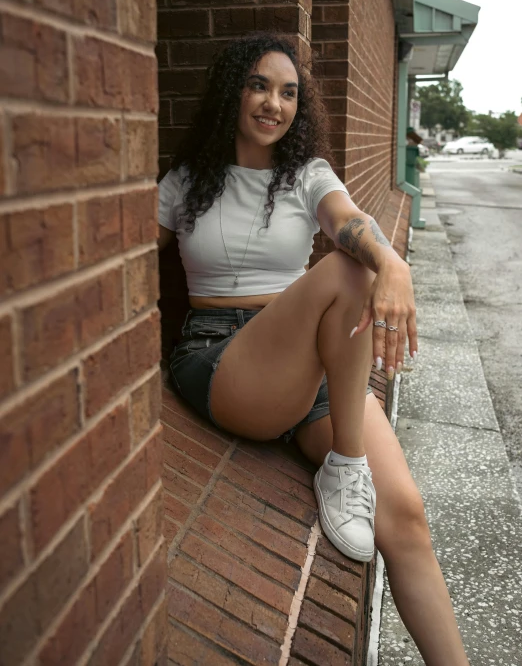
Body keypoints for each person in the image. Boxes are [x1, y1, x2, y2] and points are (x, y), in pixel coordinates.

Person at [158, 33, 469, 665]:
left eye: (289, 92)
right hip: (225, 359)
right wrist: (380, 264)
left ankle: (346, 469)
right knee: (350, 272)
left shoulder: (308, 177)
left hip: (314, 367)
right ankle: (348, 462)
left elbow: (348, 220)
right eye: (259, 86)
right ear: (232, 93)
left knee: (405, 516)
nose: (274, 103)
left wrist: (392, 264)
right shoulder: (186, 182)